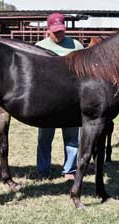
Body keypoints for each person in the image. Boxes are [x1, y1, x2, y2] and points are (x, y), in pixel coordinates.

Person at [35, 12, 84, 180]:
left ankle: (69, 170)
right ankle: (43, 170)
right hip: (47, 101)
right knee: (44, 137)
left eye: (61, 31)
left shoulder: (76, 46)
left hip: (71, 99)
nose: (59, 34)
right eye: (55, 31)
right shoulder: (39, 47)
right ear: (48, 30)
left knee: (72, 137)